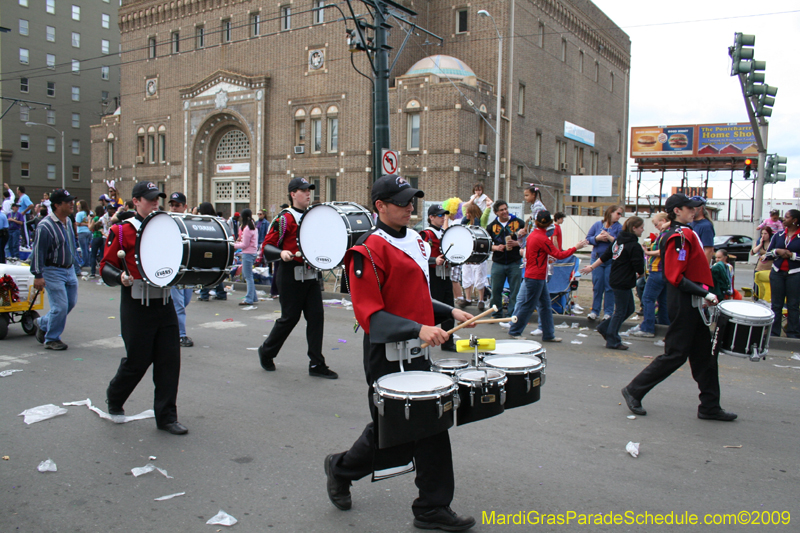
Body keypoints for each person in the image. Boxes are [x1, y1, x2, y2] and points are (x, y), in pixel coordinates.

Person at [324, 174, 476, 532]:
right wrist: (418, 328)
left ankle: (432, 507)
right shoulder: (367, 250)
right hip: (386, 355)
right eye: (402, 201)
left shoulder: (417, 241)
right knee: (392, 436)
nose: (410, 207)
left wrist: (449, 311)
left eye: (412, 200)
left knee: (433, 424)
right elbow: (370, 316)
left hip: (417, 351)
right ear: (380, 206)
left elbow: (416, 297)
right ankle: (340, 468)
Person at [621, 193, 736, 422]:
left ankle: (710, 406)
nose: (694, 211)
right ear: (677, 211)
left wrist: (703, 292)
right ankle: (634, 389)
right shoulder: (677, 237)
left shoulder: (684, 233)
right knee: (676, 354)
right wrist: (705, 293)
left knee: (705, 357)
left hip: (691, 301)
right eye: (689, 208)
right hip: (684, 302)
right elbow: (675, 276)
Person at [101, 181, 188, 435]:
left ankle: (166, 417)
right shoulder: (121, 231)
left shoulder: (168, 228)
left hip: (164, 300)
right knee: (137, 361)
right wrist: (119, 277)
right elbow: (105, 267)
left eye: (157, 199)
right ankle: (115, 395)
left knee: (169, 361)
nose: (155, 203)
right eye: (150, 199)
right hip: (136, 303)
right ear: (136, 201)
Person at [257, 177, 337, 378]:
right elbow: (267, 247)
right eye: (304, 190)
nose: (308, 194)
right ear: (293, 194)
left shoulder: (313, 216)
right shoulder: (284, 218)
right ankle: (266, 351)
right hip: (290, 273)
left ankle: (316, 363)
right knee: (289, 318)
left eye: (309, 190)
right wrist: (281, 253)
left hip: (311, 274)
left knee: (316, 317)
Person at [509, 210, 587, 342]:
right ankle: (515, 331)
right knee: (530, 305)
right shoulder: (543, 238)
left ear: (536, 222)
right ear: (549, 223)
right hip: (537, 277)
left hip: (534, 275)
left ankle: (548, 334)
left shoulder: (533, 236)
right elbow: (559, 255)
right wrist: (576, 247)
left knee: (544, 306)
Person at [582, 217, 645, 350]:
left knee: (629, 309)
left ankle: (605, 327)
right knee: (621, 311)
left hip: (616, 278)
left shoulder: (618, 242)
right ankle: (612, 338)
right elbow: (639, 265)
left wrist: (592, 267)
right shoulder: (634, 246)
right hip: (623, 280)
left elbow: (605, 256)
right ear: (634, 228)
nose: (643, 230)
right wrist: (641, 273)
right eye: (641, 227)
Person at [30, 189, 79, 351]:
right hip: (53, 270)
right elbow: (38, 251)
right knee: (60, 307)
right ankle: (52, 338)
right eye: (68, 202)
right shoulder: (45, 226)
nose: (72, 204)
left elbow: (70, 245)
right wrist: (38, 275)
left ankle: (42, 323)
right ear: (57, 205)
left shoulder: (68, 221)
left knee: (70, 303)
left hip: (69, 269)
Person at [419, 204, 457, 351]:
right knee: (432, 310)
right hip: (433, 276)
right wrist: (434, 260)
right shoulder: (426, 234)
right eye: (440, 215)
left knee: (449, 309)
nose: (443, 218)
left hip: (445, 275)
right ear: (431, 217)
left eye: (444, 215)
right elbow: (419, 255)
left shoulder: (445, 234)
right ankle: (423, 340)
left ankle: (448, 342)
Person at [630, 213, 671, 338]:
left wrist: (647, 252)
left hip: (657, 269)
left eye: (657, 224)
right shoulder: (668, 233)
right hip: (664, 271)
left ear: (664, 220)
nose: (656, 227)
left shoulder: (665, 234)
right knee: (663, 300)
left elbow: (662, 251)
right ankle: (665, 326)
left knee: (648, 298)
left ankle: (648, 328)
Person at [485, 200, 523, 320]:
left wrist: (517, 243)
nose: (505, 211)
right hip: (498, 262)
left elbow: (528, 240)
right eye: (501, 210)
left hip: (515, 262)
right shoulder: (491, 227)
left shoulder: (519, 223)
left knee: (515, 291)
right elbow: (487, 244)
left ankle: (512, 315)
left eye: (506, 209)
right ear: (496, 212)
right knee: (495, 291)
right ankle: (496, 314)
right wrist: (496, 247)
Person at [585, 205, 624, 320]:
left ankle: (608, 312)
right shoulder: (597, 225)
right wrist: (597, 238)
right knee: (597, 286)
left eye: (621, 214)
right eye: (618, 213)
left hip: (611, 261)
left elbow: (620, 243)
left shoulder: (619, 227)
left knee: (609, 287)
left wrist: (609, 237)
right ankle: (595, 311)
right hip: (596, 259)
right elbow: (588, 239)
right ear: (611, 212)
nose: (619, 216)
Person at [766, 209, 800, 339]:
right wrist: (777, 252)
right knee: (776, 304)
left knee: (793, 305)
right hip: (777, 273)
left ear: (795, 220)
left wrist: (792, 256)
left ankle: (793, 333)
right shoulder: (778, 235)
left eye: (787, 217)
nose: (783, 219)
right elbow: (767, 255)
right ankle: (774, 333)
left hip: (795, 274)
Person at [167, 193, 194, 347]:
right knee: (179, 305)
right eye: (172, 205)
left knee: (185, 301)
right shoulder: (166, 223)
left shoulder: (189, 223)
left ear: (184, 207)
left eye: (177, 205)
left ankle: (169, 328)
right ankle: (180, 335)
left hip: (187, 268)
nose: (174, 208)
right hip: (174, 269)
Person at [459, 202, 489, 310]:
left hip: (478, 254)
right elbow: (463, 208)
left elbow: (479, 224)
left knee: (479, 277)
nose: (466, 215)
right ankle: (468, 298)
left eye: (469, 213)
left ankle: (481, 300)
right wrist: (473, 198)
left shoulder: (481, 222)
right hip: (468, 254)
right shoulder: (466, 223)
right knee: (466, 275)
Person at [196, 202, 228, 302]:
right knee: (216, 272)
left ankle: (204, 294)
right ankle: (221, 293)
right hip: (219, 248)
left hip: (207, 249)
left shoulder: (204, 221)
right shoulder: (218, 220)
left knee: (205, 272)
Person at [234, 208, 258, 307]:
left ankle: (249, 299)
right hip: (252, 252)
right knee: (248, 275)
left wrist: (234, 245)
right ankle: (253, 296)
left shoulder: (247, 228)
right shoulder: (253, 226)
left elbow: (244, 244)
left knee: (248, 277)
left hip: (248, 253)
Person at [751, 227, 774, 303]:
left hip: (769, 267)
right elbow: (753, 252)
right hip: (760, 267)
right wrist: (760, 244)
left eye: (765, 234)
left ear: (769, 234)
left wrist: (767, 255)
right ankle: (756, 300)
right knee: (757, 286)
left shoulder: (773, 242)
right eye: (762, 233)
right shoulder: (759, 241)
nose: (763, 235)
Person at [690, 197, 714, 264]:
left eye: (692, 207)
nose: (690, 209)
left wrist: (704, 267)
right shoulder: (689, 223)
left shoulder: (706, 226)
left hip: (697, 264)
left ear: (700, 208)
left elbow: (708, 250)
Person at [75, 200, 93, 278]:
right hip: (89, 232)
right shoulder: (90, 213)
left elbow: (77, 223)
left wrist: (84, 224)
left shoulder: (79, 214)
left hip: (82, 232)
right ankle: (88, 262)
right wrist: (87, 224)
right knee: (88, 248)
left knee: (83, 248)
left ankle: (84, 263)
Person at [88, 206, 106, 278]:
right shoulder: (104, 218)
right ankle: (102, 272)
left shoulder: (95, 218)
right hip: (103, 237)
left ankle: (93, 272)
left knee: (93, 255)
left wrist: (89, 220)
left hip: (96, 237)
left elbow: (90, 228)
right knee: (102, 255)